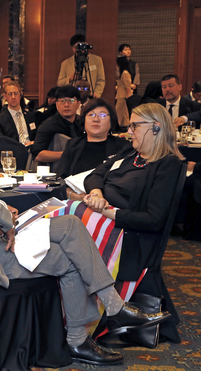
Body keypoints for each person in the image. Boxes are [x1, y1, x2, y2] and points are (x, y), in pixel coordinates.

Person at [0, 102, 170, 365]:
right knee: (72, 258)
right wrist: (7, 220)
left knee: (70, 225)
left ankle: (112, 306)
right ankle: (83, 336)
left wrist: (1, 208)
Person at [83, 103, 186, 342]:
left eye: (134, 126)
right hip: (101, 218)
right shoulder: (130, 154)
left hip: (126, 235)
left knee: (61, 236)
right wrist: (97, 194)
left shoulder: (167, 165)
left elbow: (153, 220)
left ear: (156, 128)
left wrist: (108, 212)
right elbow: (94, 175)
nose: (129, 131)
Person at [59, 99, 130, 196]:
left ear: (111, 123)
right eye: (91, 115)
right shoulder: (73, 145)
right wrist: (73, 195)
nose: (96, 119)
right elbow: (59, 179)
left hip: (109, 201)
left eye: (102, 115)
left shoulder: (123, 147)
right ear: (84, 121)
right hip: (75, 201)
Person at [31, 85, 83, 163]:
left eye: (71, 100)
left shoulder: (83, 122)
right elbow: (37, 155)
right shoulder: (48, 125)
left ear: (78, 104)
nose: (66, 105)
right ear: (57, 105)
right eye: (62, 101)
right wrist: (68, 154)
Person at [0, 80, 37, 146]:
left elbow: (38, 136)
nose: (13, 97)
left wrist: (33, 142)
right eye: (10, 94)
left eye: (15, 93)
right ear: (5, 96)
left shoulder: (31, 116)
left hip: (32, 150)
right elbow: (0, 143)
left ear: (20, 94)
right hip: (14, 152)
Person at [115, 57, 133, 128]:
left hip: (124, 96)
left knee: (118, 112)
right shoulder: (123, 72)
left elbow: (127, 86)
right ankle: (125, 126)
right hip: (122, 95)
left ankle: (117, 126)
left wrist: (128, 96)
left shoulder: (125, 73)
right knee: (125, 114)